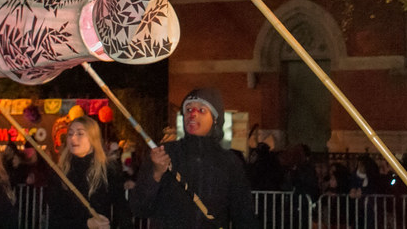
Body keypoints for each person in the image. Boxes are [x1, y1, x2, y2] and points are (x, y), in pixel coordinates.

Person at [129, 87, 258, 229]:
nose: (193, 114)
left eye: (202, 110)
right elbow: (139, 208)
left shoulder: (230, 162)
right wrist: (156, 174)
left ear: (215, 119)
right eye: (188, 110)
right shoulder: (164, 153)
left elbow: (244, 215)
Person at [47, 115, 130, 229]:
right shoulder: (60, 172)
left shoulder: (108, 170)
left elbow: (122, 210)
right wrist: (86, 224)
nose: (73, 138)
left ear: (93, 138)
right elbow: (56, 218)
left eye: (80, 133)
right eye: (70, 134)